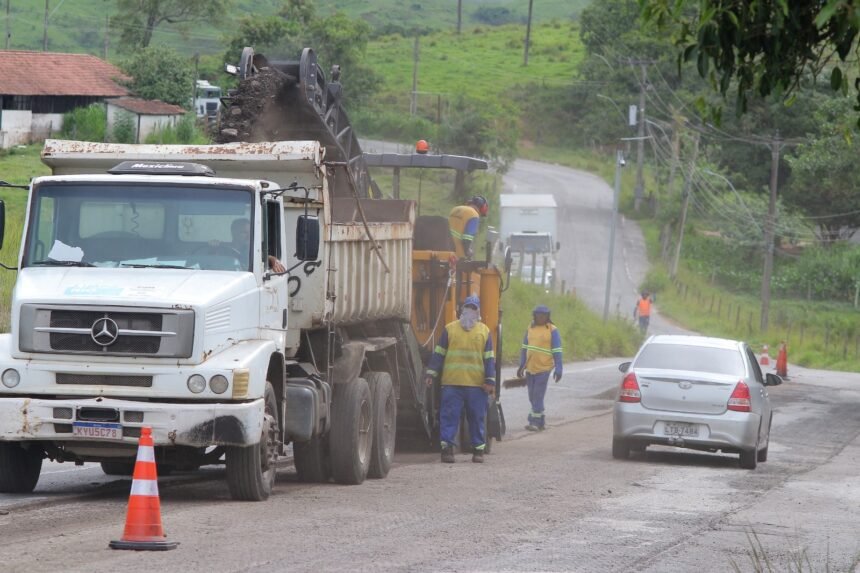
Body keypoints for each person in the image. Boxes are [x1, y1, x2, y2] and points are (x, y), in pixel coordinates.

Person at [424, 295, 496, 463]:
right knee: (449, 416)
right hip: (452, 383)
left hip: (476, 386)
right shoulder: (450, 329)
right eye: (468, 308)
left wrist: (490, 381)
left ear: (478, 313)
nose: (470, 312)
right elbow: (439, 354)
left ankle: (478, 451)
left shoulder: (484, 332)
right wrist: (430, 374)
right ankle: (447, 450)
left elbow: (489, 359)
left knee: (477, 417)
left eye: (473, 309)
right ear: (462, 310)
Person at [517, 305, 563, 432]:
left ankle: (534, 422)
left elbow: (557, 350)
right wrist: (522, 365)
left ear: (547, 316)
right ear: (534, 315)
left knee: (537, 395)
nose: (541, 317)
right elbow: (524, 347)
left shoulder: (552, 330)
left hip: (544, 368)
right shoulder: (530, 328)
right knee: (532, 396)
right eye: (538, 315)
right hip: (530, 368)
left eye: (543, 315)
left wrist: (559, 368)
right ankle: (541, 420)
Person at [448, 195, 489, 260]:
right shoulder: (474, 215)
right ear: (483, 208)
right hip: (458, 255)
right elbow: (466, 240)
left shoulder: (455, 209)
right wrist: (468, 252)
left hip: (446, 250)